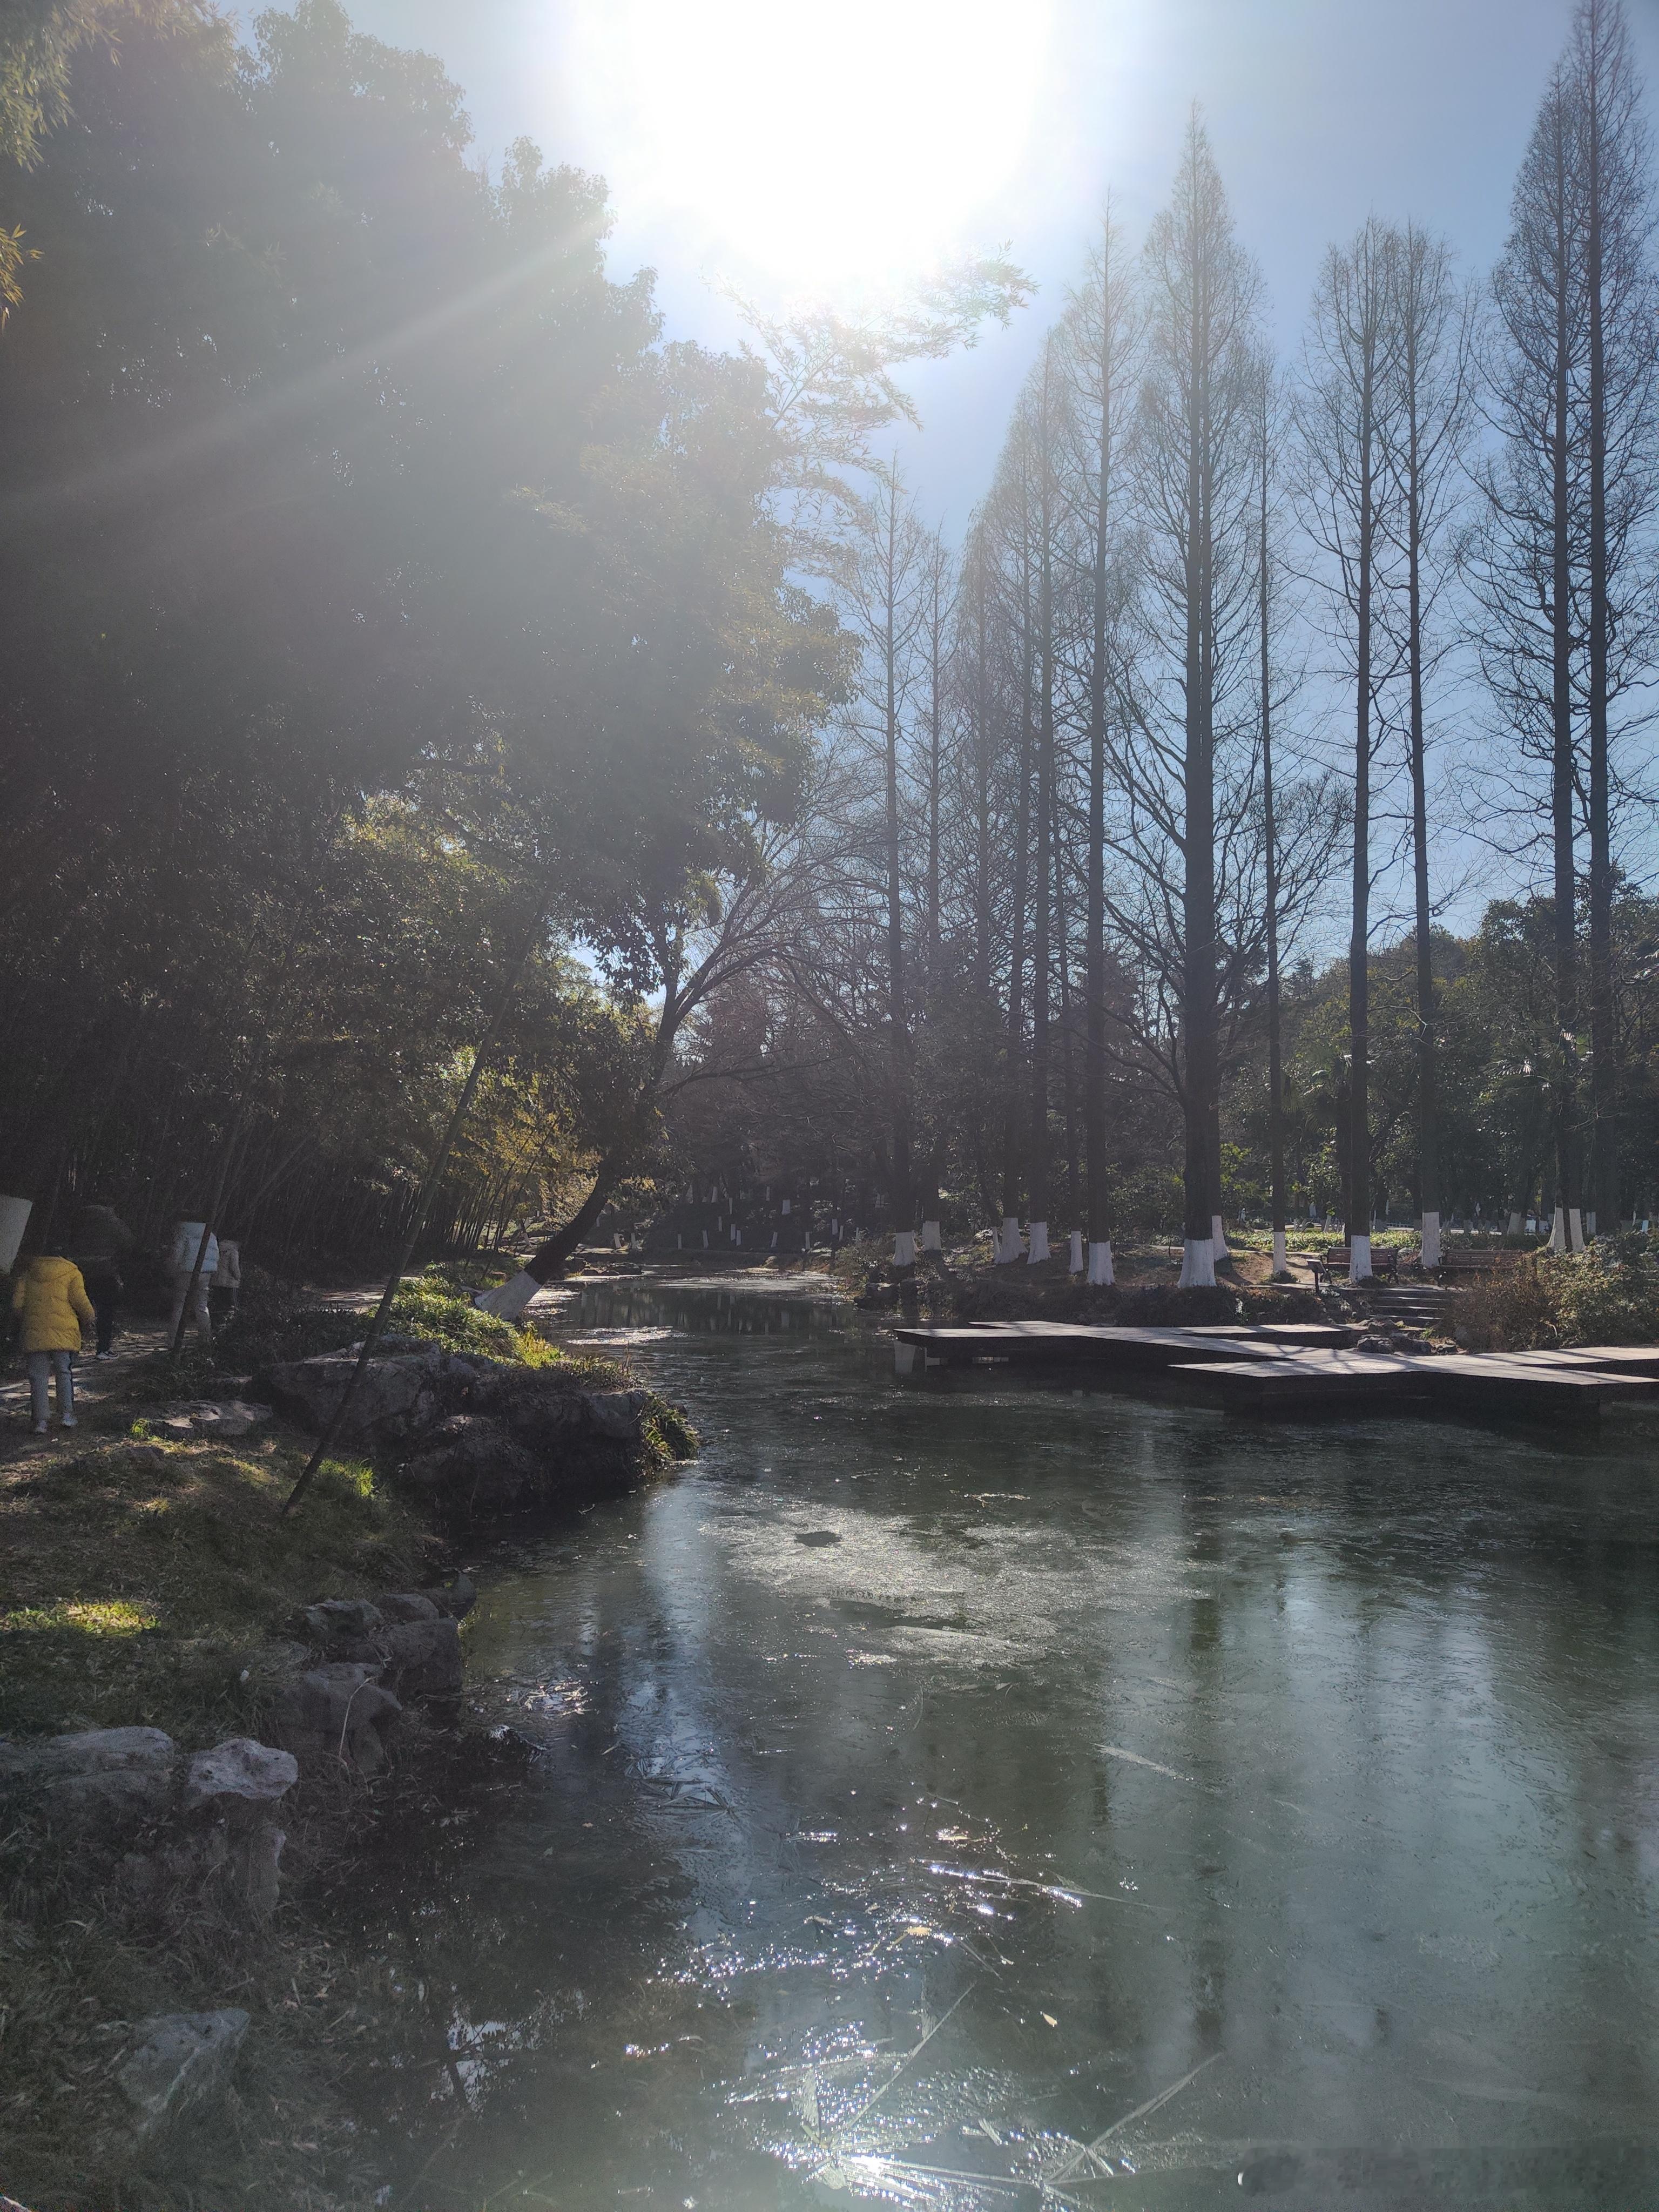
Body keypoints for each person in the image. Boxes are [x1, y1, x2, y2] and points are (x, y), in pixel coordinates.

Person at [11, 1241, 93, 1434]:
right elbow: (81, 1302)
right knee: (63, 1373)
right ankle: (67, 1415)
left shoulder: (29, 1272)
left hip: (35, 1332)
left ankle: (40, 1422)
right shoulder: (72, 1272)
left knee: (38, 1377)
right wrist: (90, 1319)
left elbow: (17, 1305)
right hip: (63, 1332)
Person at [70, 1198, 135, 1360]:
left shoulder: (79, 1220)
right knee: (106, 1311)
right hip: (105, 1271)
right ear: (110, 1205)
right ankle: (103, 1349)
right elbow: (129, 1243)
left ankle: (71, 1350)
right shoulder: (113, 1222)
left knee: (78, 1309)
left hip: (79, 1271)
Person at [167, 1217, 218, 1343]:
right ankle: (205, 1341)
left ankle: (173, 1341)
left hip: (186, 1271)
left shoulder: (183, 1231)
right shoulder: (210, 1234)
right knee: (202, 1306)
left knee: (180, 1305)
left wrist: (172, 1270)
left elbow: (176, 1254)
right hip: (206, 1273)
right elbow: (215, 1255)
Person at [209, 1235, 241, 1331]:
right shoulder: (233, 1251)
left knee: (219, 1305)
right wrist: (239, 1277)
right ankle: (228, 1328)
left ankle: (215, 1326)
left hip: (217, 1281)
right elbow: (234, 1268)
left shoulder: (217, 1248)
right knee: (232, 1307)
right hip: (229, 1283)